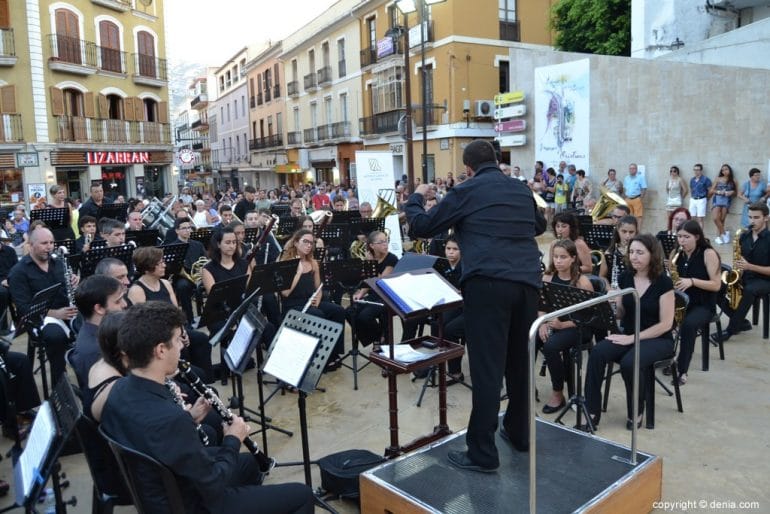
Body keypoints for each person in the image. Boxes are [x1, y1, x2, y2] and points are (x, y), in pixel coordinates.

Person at [405, 139, 546, 472]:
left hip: (488, 286)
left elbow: (421, 226)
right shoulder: (520, 189)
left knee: (486, 369)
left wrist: (415, 197)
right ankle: (519, 433)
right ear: (496, 161)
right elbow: (538, 226)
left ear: (468, 168)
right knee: (519, 364)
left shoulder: (466, 191)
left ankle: (482, 453)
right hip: (527, 284)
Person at [100, 302, 315, 514]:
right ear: (161, 350)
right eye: (177, 340)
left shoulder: (118, 390)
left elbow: (156, 439)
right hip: (192, 504)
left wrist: (191, 419)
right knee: (302, 495)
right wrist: (233, 438)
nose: (182, 345)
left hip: (158, 492)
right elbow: (213, 483)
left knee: (249, 464)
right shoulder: (171, 419)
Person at [584, 234, 675, 431]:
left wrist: (631, 339)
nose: (634, 256)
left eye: (640, 252)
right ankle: (591, 410)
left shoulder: (663, 282)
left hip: (659, 339)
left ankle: (637, 410)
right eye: (632, 252)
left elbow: (666, 324)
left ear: (653, 255)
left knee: (629, 362)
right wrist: (611, 306)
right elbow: (622, 313)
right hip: (630, 335)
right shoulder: (626, 277)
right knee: (598, 352)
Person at [128, 246, 214, 382]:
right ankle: (187, 380)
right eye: (159, 263)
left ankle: (206, 382)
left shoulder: (165, 283)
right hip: (158, 336)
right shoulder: (137, 290)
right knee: (181, 349)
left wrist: (181, 331)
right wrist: (176, 337)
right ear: (148, 267)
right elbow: (145, 324)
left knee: (202, 339)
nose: (164, 265)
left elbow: (175, 312)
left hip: (174, 331)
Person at [8, 226, 78, 381]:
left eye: (52, 242)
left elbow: (68, 290)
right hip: (40, 318)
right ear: (31, 245)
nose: (50, 247)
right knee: (56, 337)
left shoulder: (58, 263)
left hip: (67, 312)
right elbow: (24, 308)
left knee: (92, 327)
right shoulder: (18, 272)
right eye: (44, 243)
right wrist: (55, 313)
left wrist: (74, 280)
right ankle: (59, 385)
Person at [539, 239, 594, 413]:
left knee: (551, 346)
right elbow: (541, 305)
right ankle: (526, 387)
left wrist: (562, 325)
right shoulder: (547, 277)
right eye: (555, 256)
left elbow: (589, 316)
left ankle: (558, 393)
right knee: (529, 340)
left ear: (573, 259)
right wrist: (542, 323)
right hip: (554, 323)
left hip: (578, 327)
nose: (558, 261)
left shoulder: (582, 282)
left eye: (563, 257)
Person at [280, 229, 346, 369]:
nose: (309, 245)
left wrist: (319, 297)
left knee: (338, 311)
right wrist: (297, 272)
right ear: (296, 242)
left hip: (310, 302)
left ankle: (332, 354)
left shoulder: (314, 263)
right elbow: (285, 293)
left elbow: (318, 287)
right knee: (319, 315)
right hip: (293, 305)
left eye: (311, 243)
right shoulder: (286, 263)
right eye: (305, 242)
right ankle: (317, 357)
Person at [668, 221, 721, 385]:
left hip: (703, 305)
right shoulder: (677, 253)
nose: (682, 241)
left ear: (697, 237)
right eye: (679, 237)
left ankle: (682, 371)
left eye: (686, 237)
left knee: (688, 325)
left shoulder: (708, 253)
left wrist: (692, 281)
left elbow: (716, 285)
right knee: (658, 317)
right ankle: (666, 358)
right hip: (683, 303)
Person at [712, 202, 770, 343]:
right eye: (750, 217)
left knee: (749, 290)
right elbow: (739, 260)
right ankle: (741, 322)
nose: (752, 221)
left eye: (756, 217)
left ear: (766, 218)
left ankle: (731, 330)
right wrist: (738, 273)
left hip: (765, 280)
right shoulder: (744, 236)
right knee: (719, 286)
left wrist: (750, 267)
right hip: (746, 276)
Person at [69, 274, 127, 391]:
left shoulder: (99, 333)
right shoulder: (95, 351)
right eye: (118, 301)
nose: (124, 304)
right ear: (99, 308)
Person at [346, 231, 398, 348]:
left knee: (365, 316)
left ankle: (378, 340)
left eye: (386, 241)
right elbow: (367, 280)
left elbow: (381, 282)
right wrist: (360, 293)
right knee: (349, 312)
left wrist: (371, 265)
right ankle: (377, 337)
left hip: (386, 297)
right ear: (372, 246)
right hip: (374, 295)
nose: (385, 244)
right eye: (381, 242)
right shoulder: (370, 258)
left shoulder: (392, 258)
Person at [171, 217, 208, 323]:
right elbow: (172, 268)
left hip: (198, 275)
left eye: (189, 227)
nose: (188, 230)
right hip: (183, 277)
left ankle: (212, 315)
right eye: (184, 228)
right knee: (182, 286)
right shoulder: (173, 247)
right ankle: (189, 318)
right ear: (177, 230)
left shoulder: (198, 245)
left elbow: (205, 261)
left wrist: (202, 270)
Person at [599, 215, 638, 286]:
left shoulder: (640, 252)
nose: (627, 236)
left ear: (636, 232)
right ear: (618, 230)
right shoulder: (610, 252)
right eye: (624, 231)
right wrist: (610, 290)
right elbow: (602, 276)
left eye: (631, 232)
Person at [710, 164, 736, 245]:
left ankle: (718, 237)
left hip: (726, 200)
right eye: (723, 170)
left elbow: (735, 192)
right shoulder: (718, 179)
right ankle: (724, 234)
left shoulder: (733, 180)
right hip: (717, 199)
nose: (724, 171)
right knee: (715, 218)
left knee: (722, 220)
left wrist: (731, 192)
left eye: (726, 169)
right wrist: (718, 192)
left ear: (729, 170)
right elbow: (711, 190)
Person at [623, 164, 647, 228]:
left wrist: (640, 198)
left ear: (636, 170)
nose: (632, 170)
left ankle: (637, 233)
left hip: (636, 199)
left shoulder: (640, 177)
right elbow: (625, 188)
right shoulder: (626, 178)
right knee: (628, 217)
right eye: (630, 168)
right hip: (628, 199)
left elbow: (644, 188)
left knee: (638, 217)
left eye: (633, 168)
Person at [689, 163, 712, 229]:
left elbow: (710, 191)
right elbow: (691, 189)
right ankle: (692, 234)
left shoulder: (706, 179)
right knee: (692, 217)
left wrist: (706, 198)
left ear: (701, 170)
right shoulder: (692, 180)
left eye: (698, 170)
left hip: (701, 199)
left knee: (700, 219)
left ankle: (700, 236)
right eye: (695, 170)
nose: (696, 171)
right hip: (693, 199)